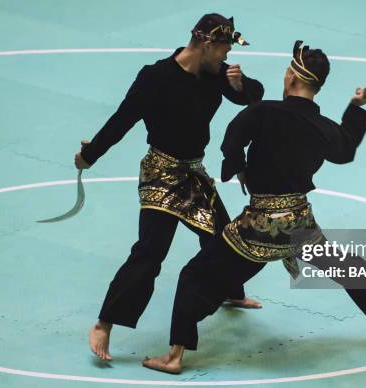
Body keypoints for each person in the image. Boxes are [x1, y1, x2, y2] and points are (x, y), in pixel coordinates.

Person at [142, 40, 366, 374]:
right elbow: (345, 150)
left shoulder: (263, 111)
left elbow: (231, 138)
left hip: (256, 228)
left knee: (194, 275)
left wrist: (237, 166)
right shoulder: (323, 127)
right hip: (299, 224)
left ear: (290, 78)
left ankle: (175, 355)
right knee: (341, 263)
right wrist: (356, 107)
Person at [74, 13, 265, 361]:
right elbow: (122, 119)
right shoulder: (155, 77)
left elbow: (255, 96)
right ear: (207, 44)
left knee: (223, 238)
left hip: (194, 174)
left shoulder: (217, 73)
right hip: (161, 174)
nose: (227, 57)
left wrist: (241, 86)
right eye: (223, 48)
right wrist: (90, 155)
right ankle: (104, 323)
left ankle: (230, 292)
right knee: (150, 253)